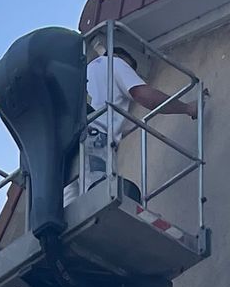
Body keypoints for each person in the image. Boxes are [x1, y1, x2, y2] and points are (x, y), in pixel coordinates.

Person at [78, 37, 194, 197]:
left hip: (72, 145)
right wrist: (187, 108)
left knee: (72, 205)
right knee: (100, 197)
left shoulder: (85, 72)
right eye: (130, 69)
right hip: (95, 140)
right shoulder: (114, 63)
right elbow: (144, 95)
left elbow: (105, 112)